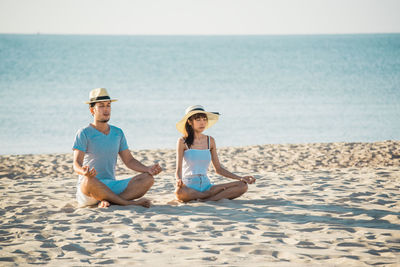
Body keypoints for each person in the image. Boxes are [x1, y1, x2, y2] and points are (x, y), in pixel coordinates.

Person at [73, 88, 162, 208]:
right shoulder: (84, 133)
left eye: (108, 105)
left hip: (111, 185)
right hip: (89, 188)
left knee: (148, 179)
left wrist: (147, 169)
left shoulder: (117, 133)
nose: (106, 109)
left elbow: (129, 160)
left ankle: (107, 200)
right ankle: (126, 202)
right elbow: (76, 163)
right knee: (89, 181)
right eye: (101, 106)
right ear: (92, 110)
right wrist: (84, 171)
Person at [175, 105, 256, 202]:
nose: (202, 123)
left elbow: (218, 169)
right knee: (179, 193)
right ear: (189, 122)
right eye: (198, 120)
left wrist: (240, 178)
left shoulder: (210, 140)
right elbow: (178, 169)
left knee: (242, 186)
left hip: (207, 186)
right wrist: (178, 180)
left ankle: (206, 198)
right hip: (189, 187)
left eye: (204, 119)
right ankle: (206, 196)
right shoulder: (182, 141)